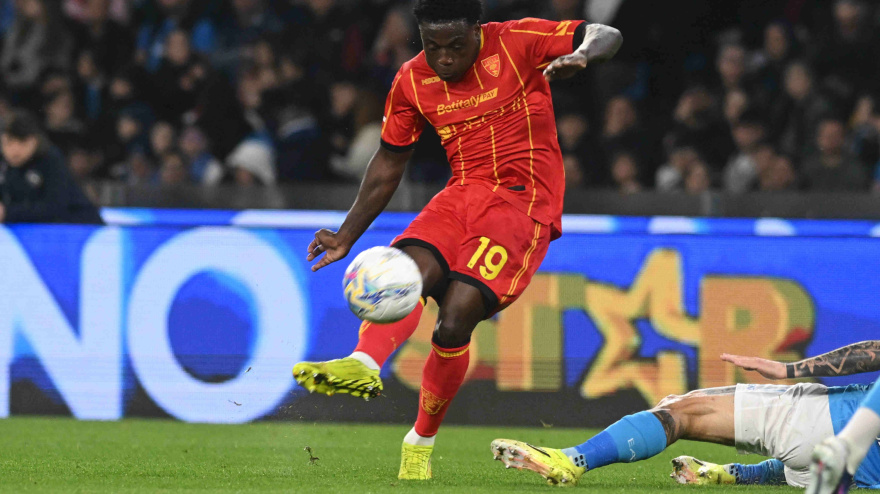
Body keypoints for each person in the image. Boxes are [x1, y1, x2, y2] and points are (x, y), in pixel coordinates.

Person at [292, 0, 622, 481]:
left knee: (455, 318)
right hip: (462, 191)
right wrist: (347, 234)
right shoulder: (411, 79)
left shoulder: (517, 41)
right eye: (432, 46)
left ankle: (419, 441)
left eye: (455, 45)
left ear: (478, 31)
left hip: (523, 201)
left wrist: (584, 54)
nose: (443, 58)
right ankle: (364, 361)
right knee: (406, 270)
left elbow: (605, 32)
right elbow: (388, 164)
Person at [490, 340, 880, 488]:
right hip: (862, 473)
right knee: (808, 459)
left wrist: (790, 370)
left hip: (831, 419)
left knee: (681, 411)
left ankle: (572, 461)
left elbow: (874, 353)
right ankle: (732, 474)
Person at [0, 110, 102, 224]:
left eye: (22, 142)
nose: (14, 150)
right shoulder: (5, 164)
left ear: (34, 141)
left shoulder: (51, 160)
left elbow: (54, 207)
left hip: (80, 228)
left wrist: (7, 213)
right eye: (8, 143)